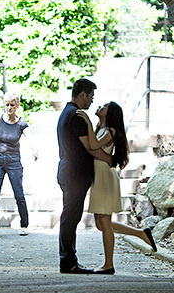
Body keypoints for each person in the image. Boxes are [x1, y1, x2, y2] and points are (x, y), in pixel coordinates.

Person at [77, 100, 159, 274]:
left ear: (110, 112)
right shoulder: (102, 129)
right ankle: (141, 234)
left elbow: (92, 146)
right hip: (100, 176)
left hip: (104, 177)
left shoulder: (110, 131)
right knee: (100, 223)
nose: (100, 106)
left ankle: (108, 264)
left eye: (104, 105)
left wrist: (87, 122)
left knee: (104, 223)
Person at [56, 78, 106, 274]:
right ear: (82, 94)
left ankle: (68, 259)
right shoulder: (77, 116)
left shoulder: (66, 113)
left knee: (70, 216)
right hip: (75, 174)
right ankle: (68, 262)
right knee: (70, 217)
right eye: (91, 96)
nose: (92, 101)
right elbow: (91, 148)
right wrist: (110, 159)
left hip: (68, 171)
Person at [0, 91, 38, 237]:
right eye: (7, 105)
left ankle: (24, 224)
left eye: (12, 105)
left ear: (17, 105)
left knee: (19, 194)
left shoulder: (21, 123)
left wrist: (34, 149)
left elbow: (30, 137)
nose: (9, 108)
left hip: (13, 162)